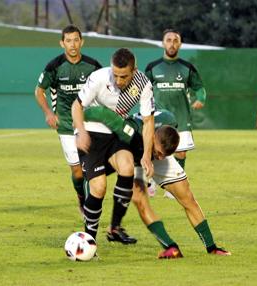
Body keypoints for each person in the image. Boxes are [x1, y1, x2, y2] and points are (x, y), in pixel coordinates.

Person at [85, 107, 231, 258]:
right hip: (134, 153)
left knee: (187, 197)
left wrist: (159, 154)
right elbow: (106, 116)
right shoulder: (132, 131)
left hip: (151, 148)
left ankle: (212, 247)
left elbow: (162, 144)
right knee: (139, 199)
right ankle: (171, 247)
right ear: (152, 137)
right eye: (160, 153)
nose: (160, 158)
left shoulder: (169, 123)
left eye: (165, 154)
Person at [71, 48, 155, 245]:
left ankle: (115, 229)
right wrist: (81, 131)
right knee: (99, 188)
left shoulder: (143, 84)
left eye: (123, 76)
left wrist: (147, 155)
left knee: (127, 169)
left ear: (134, 71)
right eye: (115, 75)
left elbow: (148, 121)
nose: (118, 80)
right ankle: (88, 239)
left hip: (115, 132)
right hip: (90, 132)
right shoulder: (98, 77)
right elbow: (77, 106)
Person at [35, 24, 102, 214]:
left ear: (82, 42)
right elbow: (39, 91)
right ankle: (81, 197)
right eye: (68, 41)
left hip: (89, 123)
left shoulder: (93, 65)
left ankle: (91, 208)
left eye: (76, 40)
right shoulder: (54, 66)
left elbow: (104, 88)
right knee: (78, 172)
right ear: (62, 43)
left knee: (91, 169)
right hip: (65, 124)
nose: (72, 45)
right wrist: (48, 112)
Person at [145, 28, 207, 199]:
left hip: (181, 117)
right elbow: (144, 89)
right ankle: (150, 183)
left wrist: (201, 98)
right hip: (158, 118)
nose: (172, 43)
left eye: (175, 40)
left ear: (180, 44)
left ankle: (173, 186)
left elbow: (199, 87)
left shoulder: (187, 68)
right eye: (169, 40)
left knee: (180, 153)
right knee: (153, 150)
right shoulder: (152, 67)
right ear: (163, 43)